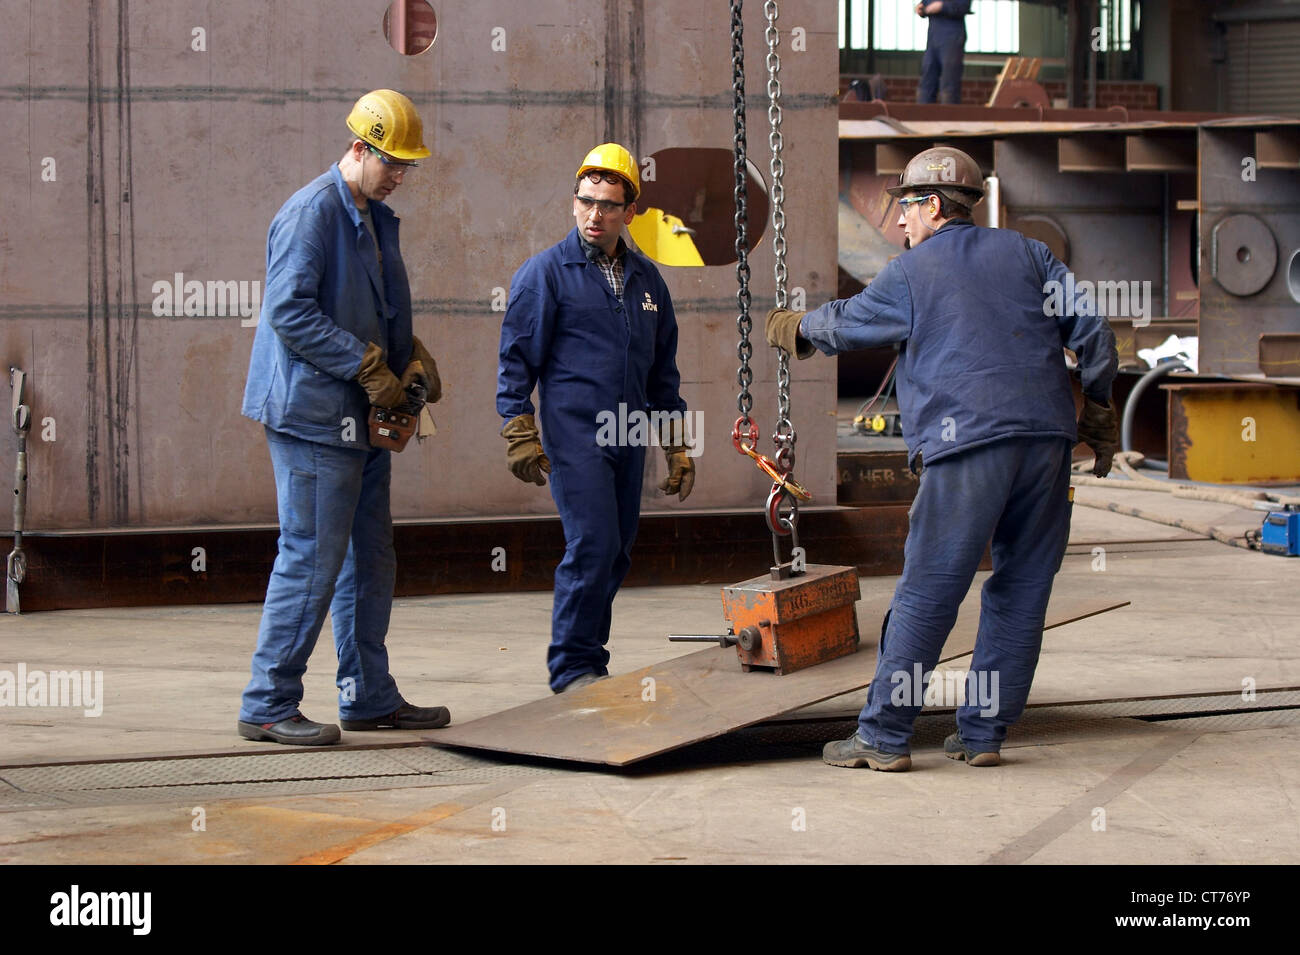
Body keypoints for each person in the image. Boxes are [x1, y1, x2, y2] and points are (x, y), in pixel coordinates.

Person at [765, 146, 1119, 771]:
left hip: (968, 446)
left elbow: (849, 325)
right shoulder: (1030, 254)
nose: (899, 223)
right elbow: (1093, 331)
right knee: (1023, 588)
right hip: (1047, 444)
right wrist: (1098, 409)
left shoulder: (912, 272)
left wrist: (797, 328)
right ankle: (984, 734)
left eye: (904, 208)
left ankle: (883, 736)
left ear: (931, 205)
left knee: (930, 589)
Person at [238, 89, 450, 745]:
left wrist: (408, 356)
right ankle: (268, 701)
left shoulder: (373, 215)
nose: (400, 176)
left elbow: (377, 305)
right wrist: (365, 365)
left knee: (369, 559)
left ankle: (366, 695)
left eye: (407, 166)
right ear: (358, 148)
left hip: (363, 417)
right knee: (312, 557)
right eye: (392, 163)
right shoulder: (311, 215)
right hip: (313, 418)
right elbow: (290, 313)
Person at [497, 143, 694, 694]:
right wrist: (518, 428)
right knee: (593, 544)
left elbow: (663, 374)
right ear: (573, 202)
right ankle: (572, 668)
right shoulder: (545, 275)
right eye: (585, 202)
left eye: (608, 205)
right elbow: (517, 359)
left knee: (619, 549)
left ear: (630, 211)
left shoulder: (649, 282)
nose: (594, 214)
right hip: (576, 435)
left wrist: (675, 443)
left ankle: (590, 659)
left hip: (629, 436)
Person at [916, 1, 971, 105]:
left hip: (952, 34)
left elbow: (964, 6)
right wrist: (921, 8)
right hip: (933, 36)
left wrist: (942, 6)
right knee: (927, 81)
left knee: (949, 83)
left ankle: (950, 117)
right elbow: (927, 4)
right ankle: (923, 116)